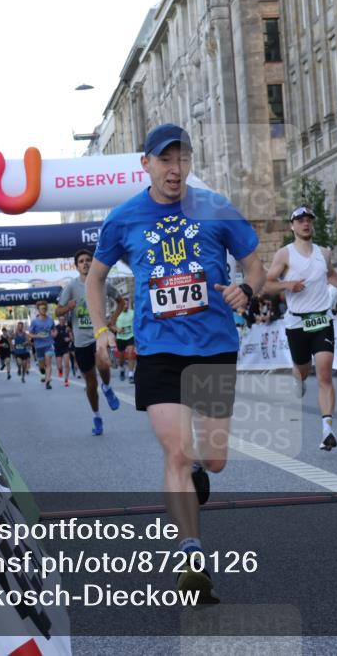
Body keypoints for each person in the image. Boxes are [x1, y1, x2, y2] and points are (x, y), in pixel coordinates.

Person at [86, 123, 265, 601]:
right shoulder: (124, 218)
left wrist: (246, 288)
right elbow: (95, 278)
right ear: (145, 164)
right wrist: (102, 330)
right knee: (177, 453)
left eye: (182, 158)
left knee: (214, 459)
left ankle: (199, 474)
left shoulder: (214, 208)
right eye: (165, 160)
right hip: (159, 350)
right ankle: (191, 554)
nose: (175, 168)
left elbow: (255, 264)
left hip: (213, 346)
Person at [265, 205, 337, 450]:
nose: (305, 224)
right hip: (297, 322)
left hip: (322, 319)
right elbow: (267, 285)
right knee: (302, 369)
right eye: (300, 220)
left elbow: (332, 275)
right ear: (292, 226)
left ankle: (327, 430)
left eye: (308, 220)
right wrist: (288, 285)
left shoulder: (324, 253)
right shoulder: (284, 255)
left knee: (324, 373)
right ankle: (298, 378)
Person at [56, 249, 125, 434]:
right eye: (81, 261)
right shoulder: (71, 287)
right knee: (91, 384)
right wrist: (67, 307)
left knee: (104, 363)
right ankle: (97, 416)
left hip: (100, 334)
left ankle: (108, 387)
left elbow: (121, 302)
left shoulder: (103, 283)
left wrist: (113, 320)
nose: (85, 263)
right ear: (76, 266)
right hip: (81, 341)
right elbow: (57, 311)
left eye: (88, 260)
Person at [29, 302, 56, 390]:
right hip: (39, 346)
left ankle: (47, 382)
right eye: (42, 309)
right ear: (38, 310)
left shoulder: (50, 320)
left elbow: (54, 330)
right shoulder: (34, 322)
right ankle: (41, 370)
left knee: (48, 364)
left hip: (48, 344)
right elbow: (30, 334)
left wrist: (55, 333)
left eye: (45, 308)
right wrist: (37, 336)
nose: (44, 310)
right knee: (42, 366)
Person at [113, 297, 136, 383]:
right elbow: (110, 325)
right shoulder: (116, 314)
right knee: (121, 357)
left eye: (127, 304)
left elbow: (137, 322)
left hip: (130, 336)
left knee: (131, 353)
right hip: (120, 338)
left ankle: (131, 374)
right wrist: (117, 329)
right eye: (124, 304)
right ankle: (122, 369)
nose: (125, 305)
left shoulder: (133, 313)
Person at [53, 315, 74, 387]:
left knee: (67, 364)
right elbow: (53, 336)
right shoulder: (55, 328)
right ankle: (60, 371)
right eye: (60, 319)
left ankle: (66, 380)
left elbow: (71, 337)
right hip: (58, 348)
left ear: (65, 320)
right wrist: (54, 334)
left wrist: (69, 339)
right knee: (59, 366)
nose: (62, 320)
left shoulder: (67, 328)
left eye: (63, 319)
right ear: (58, 320)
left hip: (65, 348)